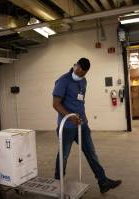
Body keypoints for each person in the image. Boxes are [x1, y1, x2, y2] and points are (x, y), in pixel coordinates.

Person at [52, 57, 122, 193]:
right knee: (63, 156)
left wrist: (84, 118)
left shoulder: (83, 81)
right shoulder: (63, 81)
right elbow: (56, 104)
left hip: (81, 126)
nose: (81, 77)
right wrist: (70, 117)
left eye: (83, 75)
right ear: (75, 66)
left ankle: (103, 182)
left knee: (91, 153)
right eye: (79, 74)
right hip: (66, 127)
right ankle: (57, 183)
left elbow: (80, 101)